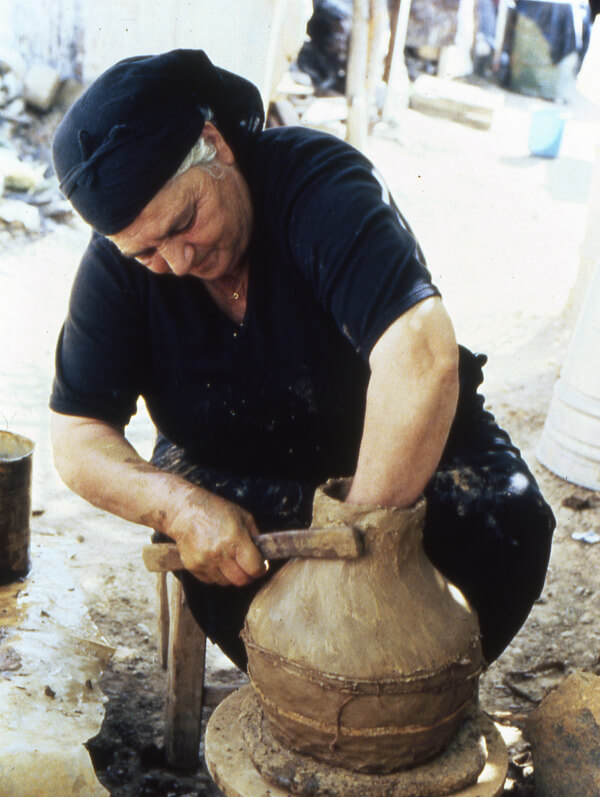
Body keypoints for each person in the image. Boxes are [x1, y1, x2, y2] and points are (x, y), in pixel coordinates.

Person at [50, 49, 555, 670]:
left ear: (214, 144)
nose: (176, 263)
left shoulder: (319, 184)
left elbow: (420, 355)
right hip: (240, 476)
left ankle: (419, 703)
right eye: (146, 252)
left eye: (185, 223)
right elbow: (77, 434)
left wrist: (365, 544)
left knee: (509, 522)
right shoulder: (116, 267)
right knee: (239, 587)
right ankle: (317, 712)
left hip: (390, 455)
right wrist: (178, 508)